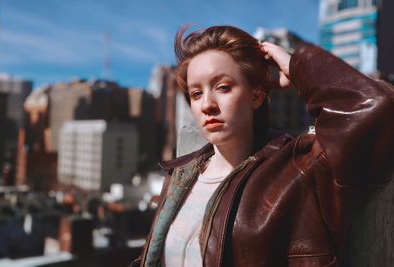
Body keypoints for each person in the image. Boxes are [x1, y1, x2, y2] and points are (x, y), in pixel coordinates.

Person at [134, 25, 394, 266]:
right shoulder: (179, 177)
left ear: (256, 94)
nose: (207, 105)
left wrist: (296, 66)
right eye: (196, 93)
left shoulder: (296, 168)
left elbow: (378, 108)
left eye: (223, 87)